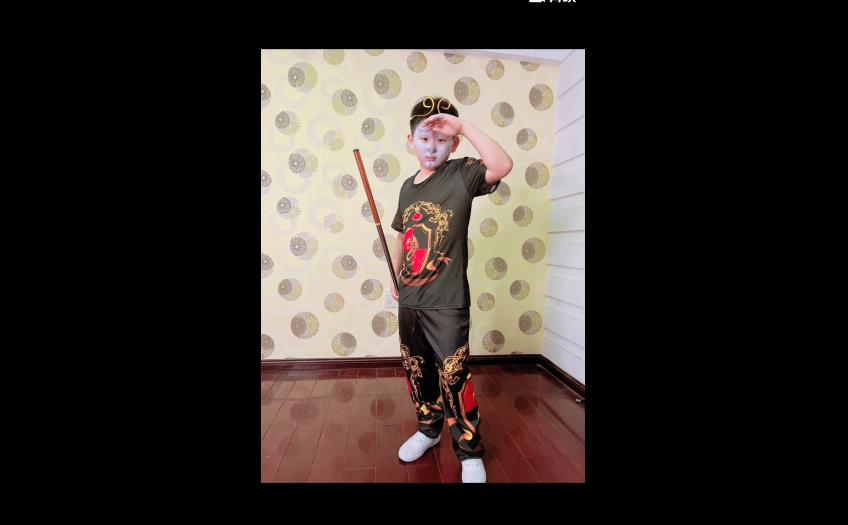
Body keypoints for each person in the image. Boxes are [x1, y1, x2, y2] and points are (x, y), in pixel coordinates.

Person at [389, 96, 513, 483]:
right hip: (410, 299)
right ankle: (428, 430)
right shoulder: (407, 187)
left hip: (447, 301)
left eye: (442, 140)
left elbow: (502, 165)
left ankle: (469, 450)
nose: (432, 147)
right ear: (410, 141)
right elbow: (402, 235)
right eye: (424, 138)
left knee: (454, 376)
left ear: (454, 144)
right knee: (417, 370)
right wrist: (393, 277)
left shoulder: (462, 173)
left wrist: (462, 126)